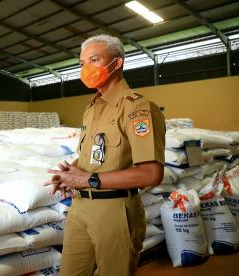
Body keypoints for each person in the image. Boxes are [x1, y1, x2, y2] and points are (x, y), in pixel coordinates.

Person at [44, 34, 166, 276]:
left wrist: (89, 179)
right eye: (82, 63)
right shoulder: (92, 108)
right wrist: (70, 172)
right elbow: (94, 155)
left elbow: (152, 174)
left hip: (115, 211)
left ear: (117, 63)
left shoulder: (137, 108)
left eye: (94, 60)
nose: (86, 68)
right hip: (80, 208)